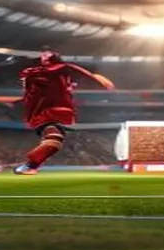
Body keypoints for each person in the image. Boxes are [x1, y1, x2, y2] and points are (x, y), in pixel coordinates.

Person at [14, 47, 115, 175]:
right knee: (54, 139)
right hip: (50, 112)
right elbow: (77, 72)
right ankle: (29, 165)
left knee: (54, 139)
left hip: (43, 113)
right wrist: (98, 80)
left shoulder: (36, 75)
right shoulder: (57, 69)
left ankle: (30, 165)